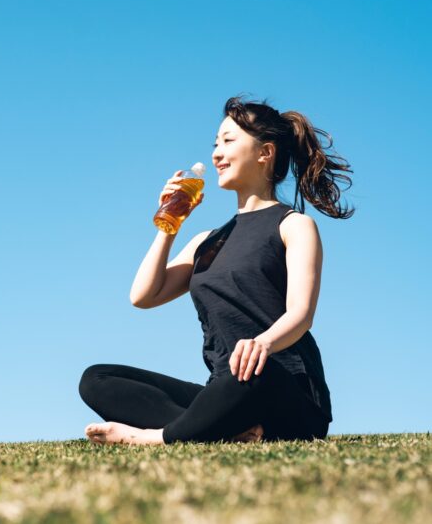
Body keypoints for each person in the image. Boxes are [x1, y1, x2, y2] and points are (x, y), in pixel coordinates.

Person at [78, 94, 354, 446]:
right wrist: (170, 224)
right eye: (215, 143)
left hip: (279, 387)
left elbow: (301, 314)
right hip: (223, 390)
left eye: (228, 141)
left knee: (257, 372)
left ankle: (153, 438)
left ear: (264, 153)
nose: (216, 153)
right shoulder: (207, 240)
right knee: (96, 378)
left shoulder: (293, 225)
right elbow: (143, 296)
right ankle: (226, 431)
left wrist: (263, 344)